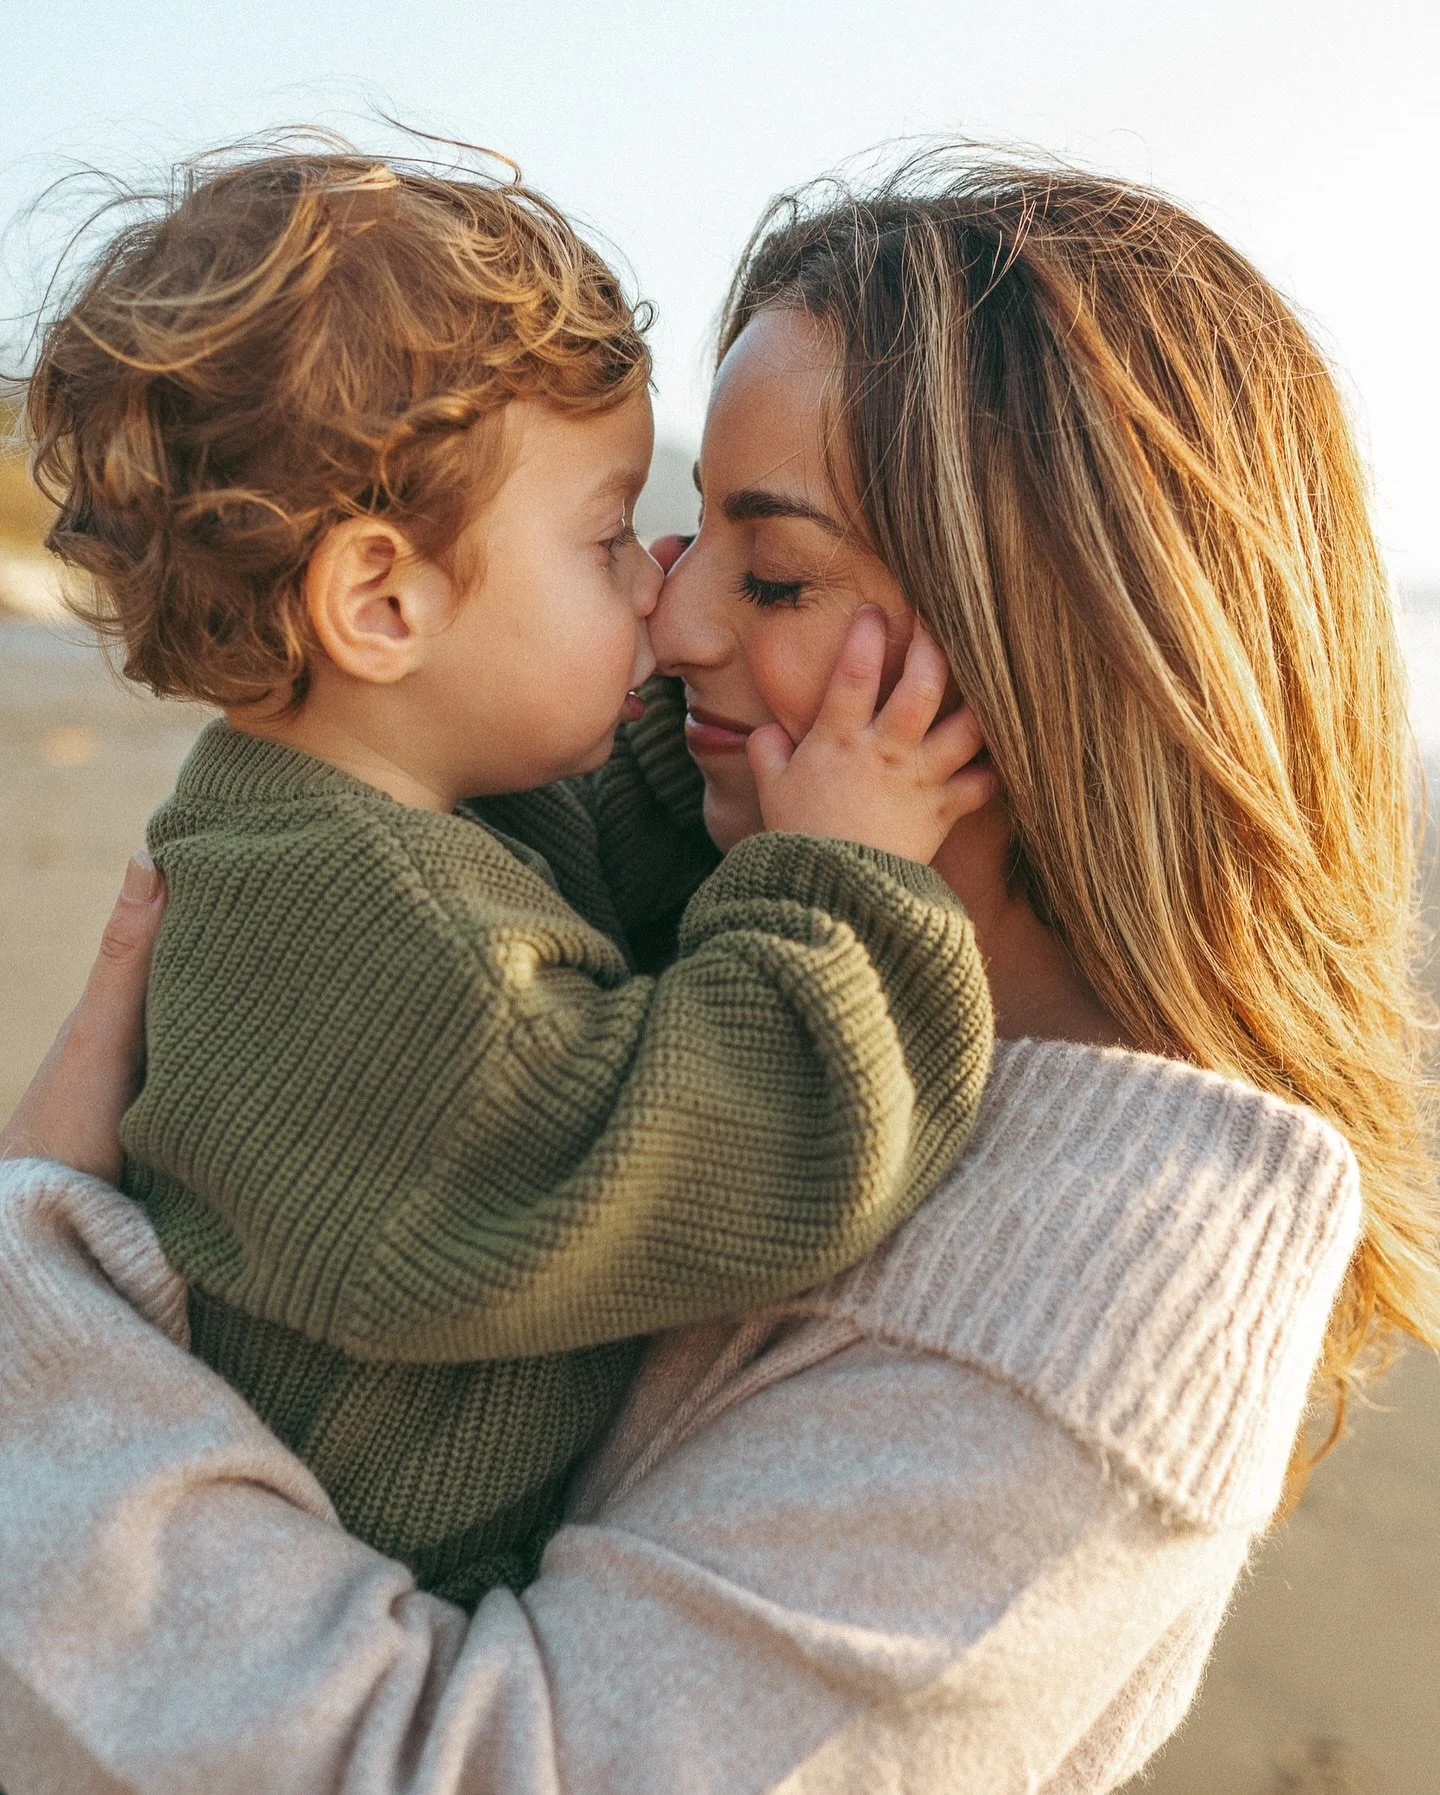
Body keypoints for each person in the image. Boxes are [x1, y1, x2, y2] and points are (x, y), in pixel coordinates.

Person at [1, 148, 1435, 1792]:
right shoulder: (568, 901)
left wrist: (29, 1299)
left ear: (1057, 638)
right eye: (650, 542)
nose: (673, 625)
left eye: (770, 575)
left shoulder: (1109, 1287)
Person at [18, 145, 994, 1605]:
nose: (660, 596)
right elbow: (736, 1147)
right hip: (308, 1647)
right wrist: (835, 871)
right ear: (383, 601)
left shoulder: (367, 817)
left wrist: (706, 754)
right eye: (608, 538)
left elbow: (594, 852)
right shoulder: (360, 929)